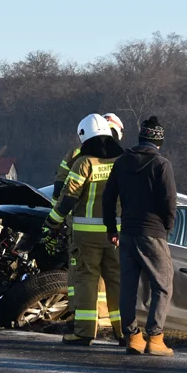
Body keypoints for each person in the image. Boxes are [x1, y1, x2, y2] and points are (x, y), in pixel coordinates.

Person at [47, 114, 125, 345]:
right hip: (117, 235)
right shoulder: (122, 161)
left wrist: (52, 223)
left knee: (86, 281)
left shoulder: (84, 162)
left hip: (86, 236)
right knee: (118, 281)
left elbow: (67, 198)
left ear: (84, 135)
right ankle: (125, 332)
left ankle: (84, 332)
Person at [104, 116, 177, 356]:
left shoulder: (122, 161)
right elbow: (169, 201)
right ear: (160, 141)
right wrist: (167, 226)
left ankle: (132, 336)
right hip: (153, 231)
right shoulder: (161, 164)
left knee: (128, 286)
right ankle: (155, 338)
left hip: (127, 231)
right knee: (163, 285)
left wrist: (111, 228)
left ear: (141, 137)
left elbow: (108, 196)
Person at [52, 113, 124, 201]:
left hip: (79, 212)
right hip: (115, 213)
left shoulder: (78, 156)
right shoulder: (125, 160)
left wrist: (55, 208)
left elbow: (61, 185)